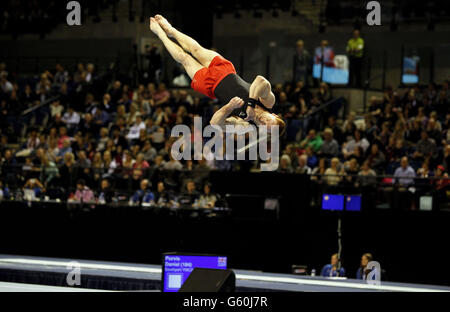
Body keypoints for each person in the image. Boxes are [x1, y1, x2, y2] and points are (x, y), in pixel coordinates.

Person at [149, 15, 285, 135]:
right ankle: (170, 30)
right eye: (268, 120)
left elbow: (215, 124)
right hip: (225, 71)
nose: (263, 121)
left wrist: (229, 107)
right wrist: (250, 105)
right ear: (273, 114)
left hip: (210, 85)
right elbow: (261, 81)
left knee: (183, 57)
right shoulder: (268, 102)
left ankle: (160, 33)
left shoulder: (245, 125)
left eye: (264, 126)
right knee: (196, 49)